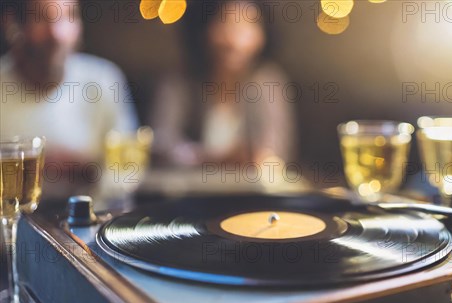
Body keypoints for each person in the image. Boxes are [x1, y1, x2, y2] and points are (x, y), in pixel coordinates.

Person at [1, 0, 139, 197]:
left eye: (69, 16)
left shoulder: (103, 80)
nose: (57, 34)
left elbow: (129, 171)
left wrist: (92, 170)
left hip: (94, 222)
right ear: (11, 24)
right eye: (41, 18)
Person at [150, 0, 295, 166]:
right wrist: (208, 157)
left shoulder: (269, 82)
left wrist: (260, 157)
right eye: (226, 23)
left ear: (263, 35)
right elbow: (160, 141)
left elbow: (277, 149)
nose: (235, 40)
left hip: (248, 190)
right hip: (189, 189)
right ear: (204, 29)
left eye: (249, 25)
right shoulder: (179, 80)